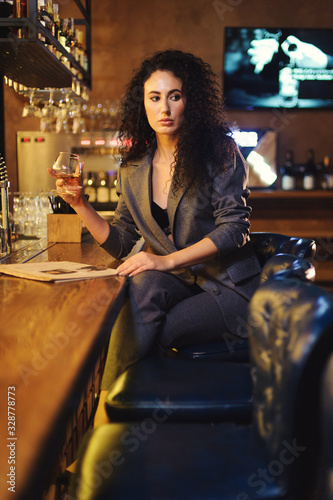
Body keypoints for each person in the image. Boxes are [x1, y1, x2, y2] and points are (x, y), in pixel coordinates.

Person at [49, 49, 262, 430]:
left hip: (229, 289)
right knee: (142, 286)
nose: (164, 107)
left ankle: (111, 424)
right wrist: (79, 204)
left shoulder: (219, 153)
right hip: (181, 284)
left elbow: (234, 228)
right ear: (142, 105)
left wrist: (163, 260)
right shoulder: (133, 167)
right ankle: (121, 425)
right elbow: (121, 240)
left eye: (174, 96)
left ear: (189, 102)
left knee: (143, 328)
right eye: (154, 97)